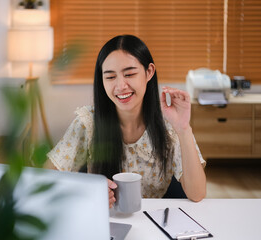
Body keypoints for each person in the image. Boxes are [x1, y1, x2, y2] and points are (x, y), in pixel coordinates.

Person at [46, 35, 206, 206]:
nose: (121, 86)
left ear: (149, 72)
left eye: (129, 74)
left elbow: (197, 194)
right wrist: (85, 191)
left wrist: (183, 128)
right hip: (104, 221)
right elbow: (45, 180)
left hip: (153, 220)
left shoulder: (169, 125)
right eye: (110, 77)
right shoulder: (87, 122)